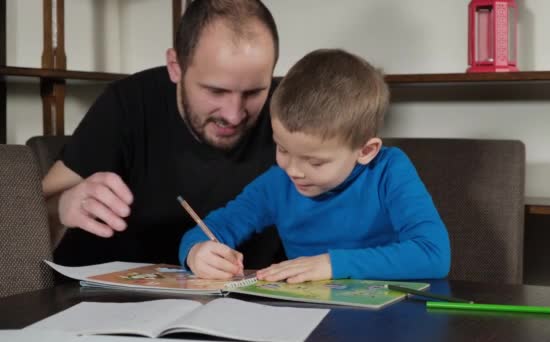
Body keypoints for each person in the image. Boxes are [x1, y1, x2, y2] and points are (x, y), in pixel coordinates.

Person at [42, 0, 285, 267]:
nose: (234, 114)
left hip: (245, 301)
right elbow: (23, 221)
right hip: (116, 299)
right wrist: (62, 206)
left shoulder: (289, 109)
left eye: (254, 92)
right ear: (175, 66)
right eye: (216, 91)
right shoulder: (128, 103)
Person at [180, 49, 451, 283]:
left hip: (390, 316)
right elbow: (211, 229)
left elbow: (433, 254)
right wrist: (196, 252)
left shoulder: (389, 171)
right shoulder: (277, 183)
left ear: (366, 151)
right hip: (307, 316)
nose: (294, 170)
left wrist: (330, 265)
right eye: (283, 149)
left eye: (315, 161)